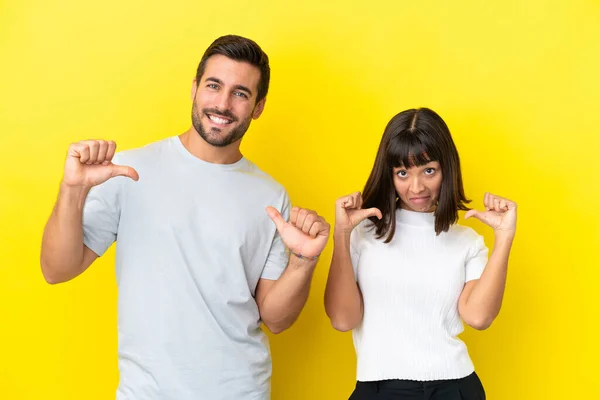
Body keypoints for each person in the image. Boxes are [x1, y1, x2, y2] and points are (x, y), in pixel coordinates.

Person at [40, 34, 330, 400]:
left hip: (241, 392)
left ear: (258, 107)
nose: (222, 104)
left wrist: (303, 262)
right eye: (214, 86)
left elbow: (275, 318)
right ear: (194, 88)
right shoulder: (130, 171)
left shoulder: (271, 196)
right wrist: (72, 190)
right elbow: (56, 269)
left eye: (241, 93)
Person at [324, 108, 517, 399]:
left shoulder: (467, 240)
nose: (416, 187)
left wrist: (503, 238)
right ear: (389, 175)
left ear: (446, 169)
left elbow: (478, 317)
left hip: (454, 387)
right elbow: (342, 320)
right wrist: (342, 235)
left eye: (429, 170)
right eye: (403, 173)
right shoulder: (363, 234)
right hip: (379, 389)